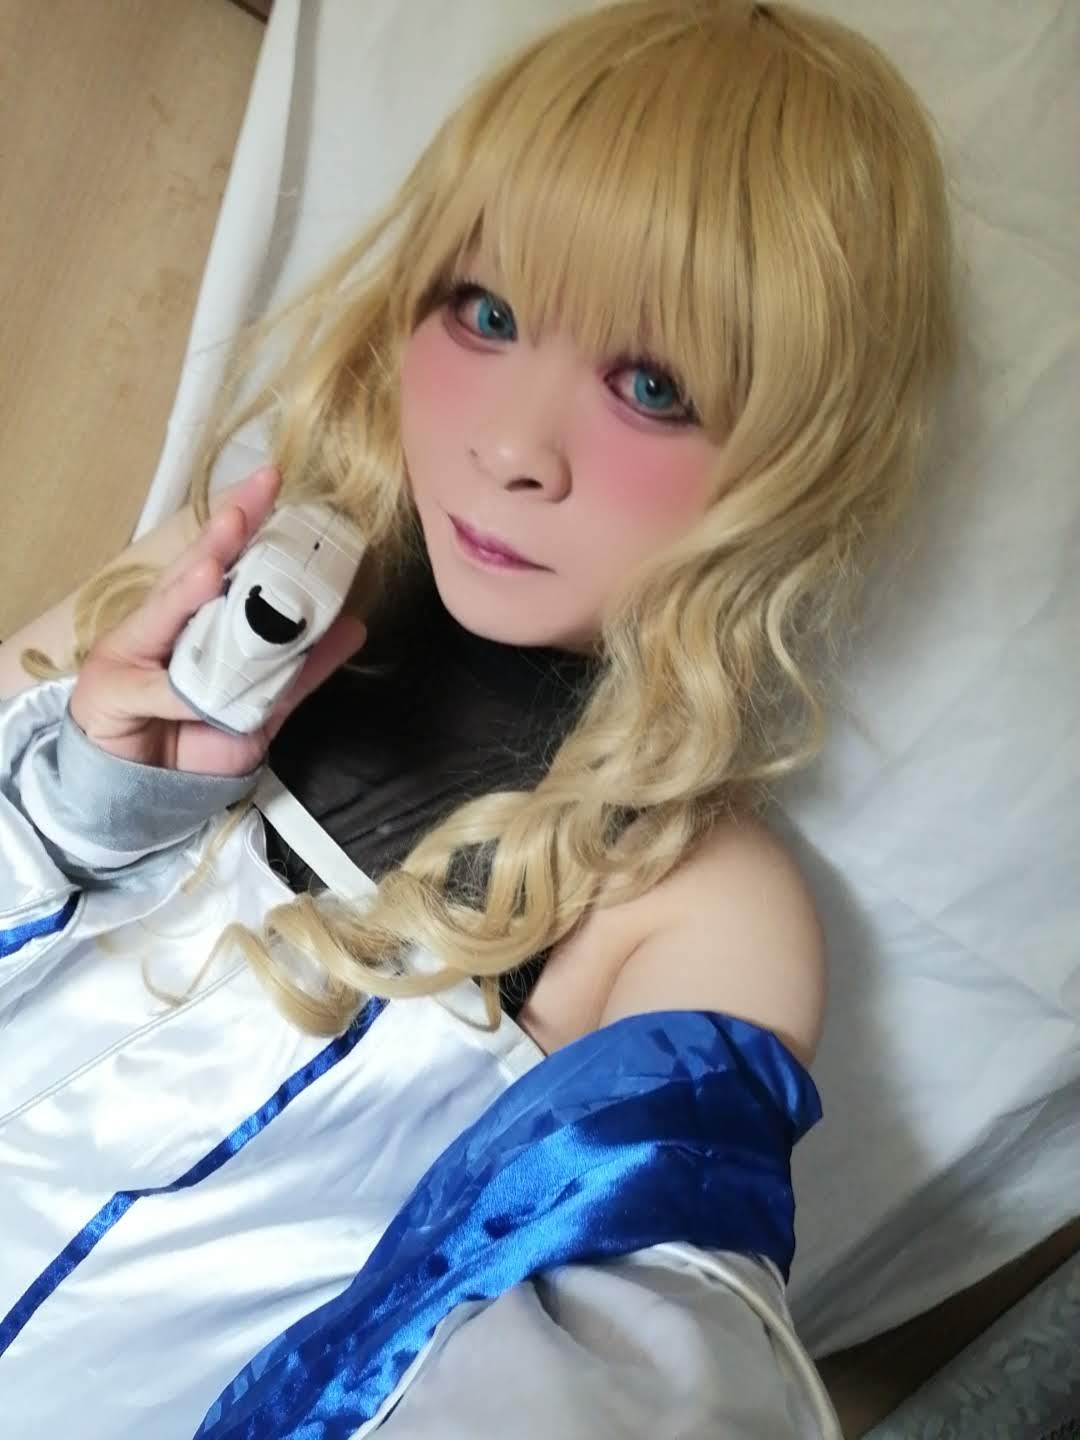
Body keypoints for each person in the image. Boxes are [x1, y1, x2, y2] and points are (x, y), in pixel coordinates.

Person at [0, 1, 953, 1434]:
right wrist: (73, 809)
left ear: (796, 461)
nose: (511, 446)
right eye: (489, 314)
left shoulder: (695, 909)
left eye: (652, 387)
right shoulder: (225, 575)